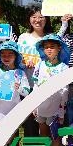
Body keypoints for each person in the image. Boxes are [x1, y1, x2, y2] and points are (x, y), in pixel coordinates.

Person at [32, 34, 71, 146]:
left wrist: (62, 107)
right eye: (46, 47)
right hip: (41, 106)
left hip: (56, 107)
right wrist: (34, 104)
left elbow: (65, 89)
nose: (49, 49)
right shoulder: (40, 65)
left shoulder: (64, 67)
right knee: (43, 133)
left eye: (52, 47)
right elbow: (35, 85)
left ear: (59, 48)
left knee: (55, 135)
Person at [17, 8, 52, 136]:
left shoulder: (50, 38)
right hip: (26, 85)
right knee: (29, 124)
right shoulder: (23, 37)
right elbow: (17, 60)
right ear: (29, 19)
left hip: (45, 86)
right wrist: (24, 64)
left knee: (45, 122)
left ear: (46, 20)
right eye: (34, 17)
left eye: (41, 17)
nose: (37, 20)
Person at [0, 41, 30, 129]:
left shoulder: (20, 73)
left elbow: (27, 92)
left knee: (14, 138)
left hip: (15, 114)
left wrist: (19, 88)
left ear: (16, 56)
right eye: (3, 54)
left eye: (10, 54)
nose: (6, 57)